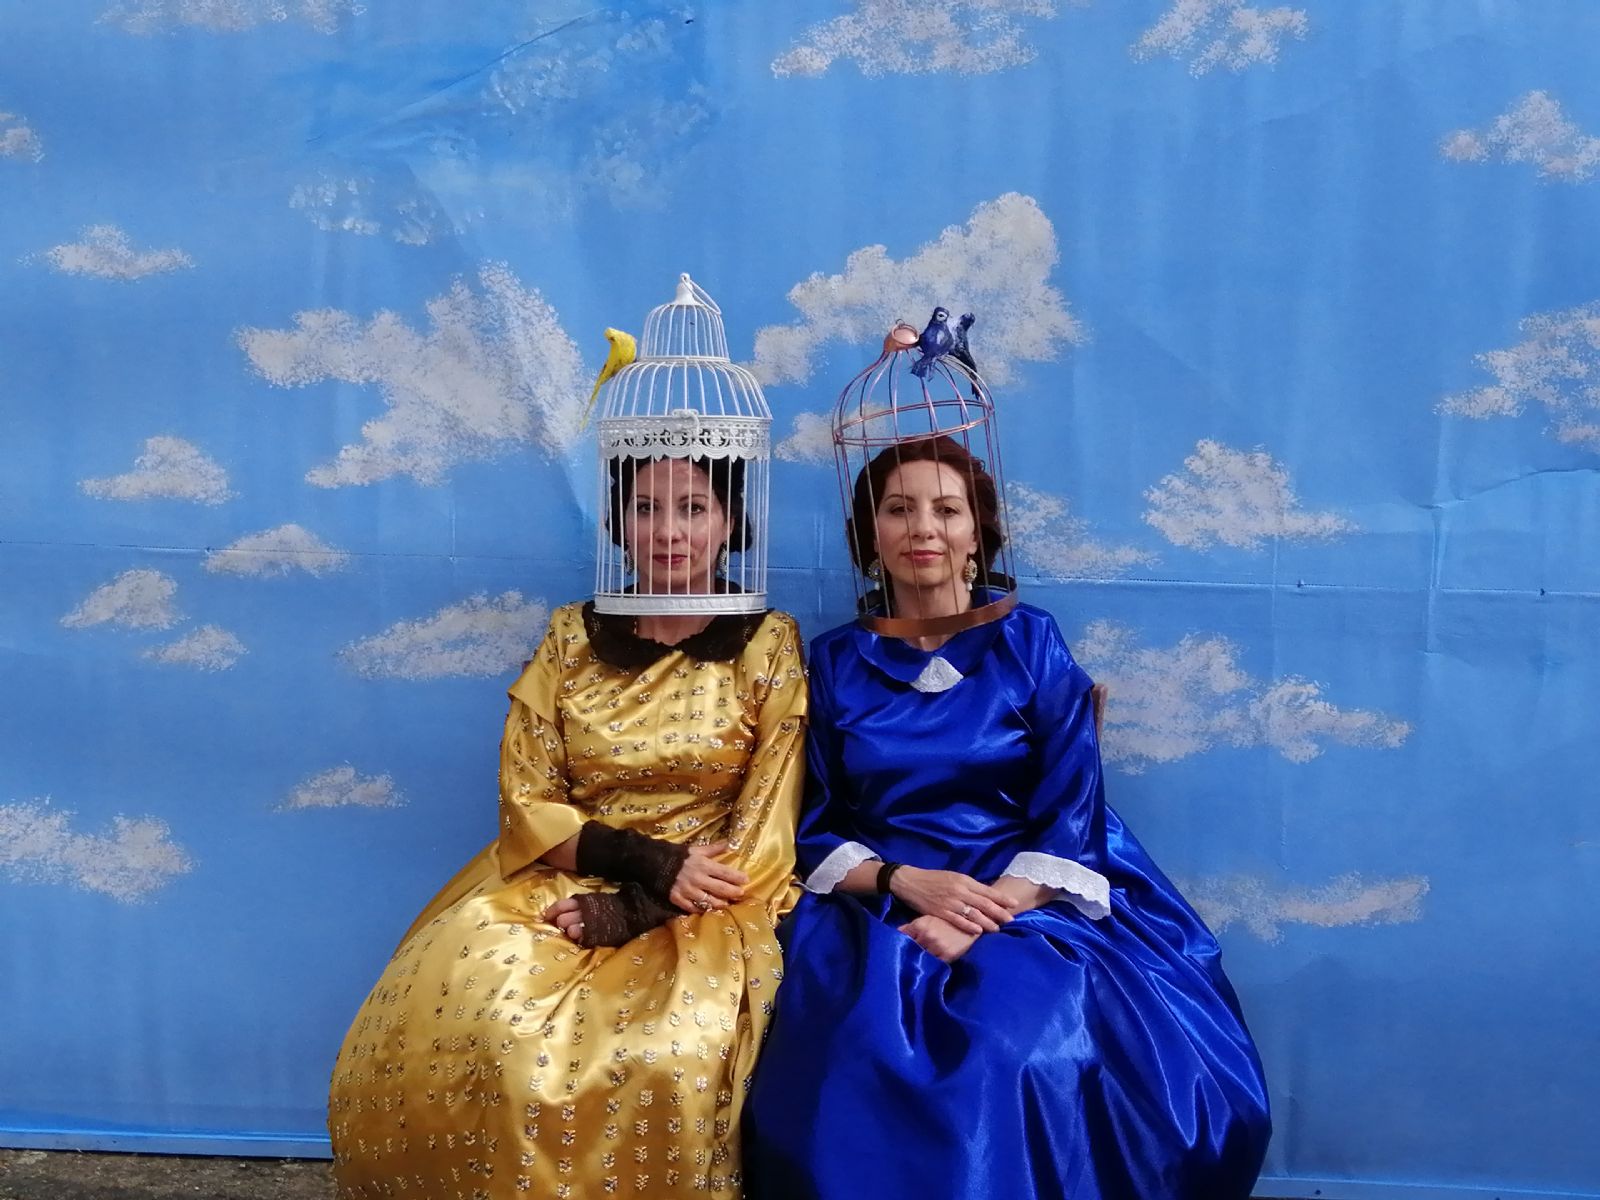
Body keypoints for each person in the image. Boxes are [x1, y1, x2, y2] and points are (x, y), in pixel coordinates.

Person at [329, 307, 806, 1195]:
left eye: (693, 508)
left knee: (670, 1050)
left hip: (707, 895)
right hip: (568, 871)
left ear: (729, 521)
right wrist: (634, 864)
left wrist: (648, 904)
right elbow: (527, 795)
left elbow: (768, 821)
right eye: (647, 507)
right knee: (489, 1021)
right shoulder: (568, 637)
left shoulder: (769, 643)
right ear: (619, 521)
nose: (669, 531)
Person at [743, 435, 1270, 1200]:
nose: (924, 529)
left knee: (1022, 1045)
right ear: (870, 536)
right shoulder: (830, 663)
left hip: (1027, 894)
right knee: (853, 1052)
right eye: (899, 510)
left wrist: (980, 914)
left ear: (977, 534)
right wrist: (905, 883)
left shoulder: (1032, 643)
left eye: (947, 510)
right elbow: (813, 821)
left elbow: (1071, 807)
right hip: (880, 900)